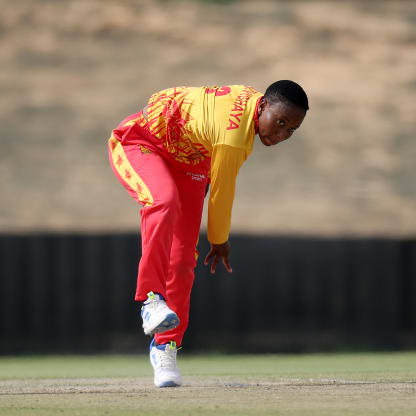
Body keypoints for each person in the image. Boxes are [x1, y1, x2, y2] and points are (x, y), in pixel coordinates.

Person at [107, 80, 309, 387]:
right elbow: (222, 194)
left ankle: (165, 347)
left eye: (291, 130)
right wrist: (219, 240)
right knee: (163, 201)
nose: (281, 135)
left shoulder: (254, 104)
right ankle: (150, 300)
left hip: (190, 160)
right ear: (264, 106)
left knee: (183, 259)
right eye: (280, 123)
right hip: (141, 143)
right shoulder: (234, 139)